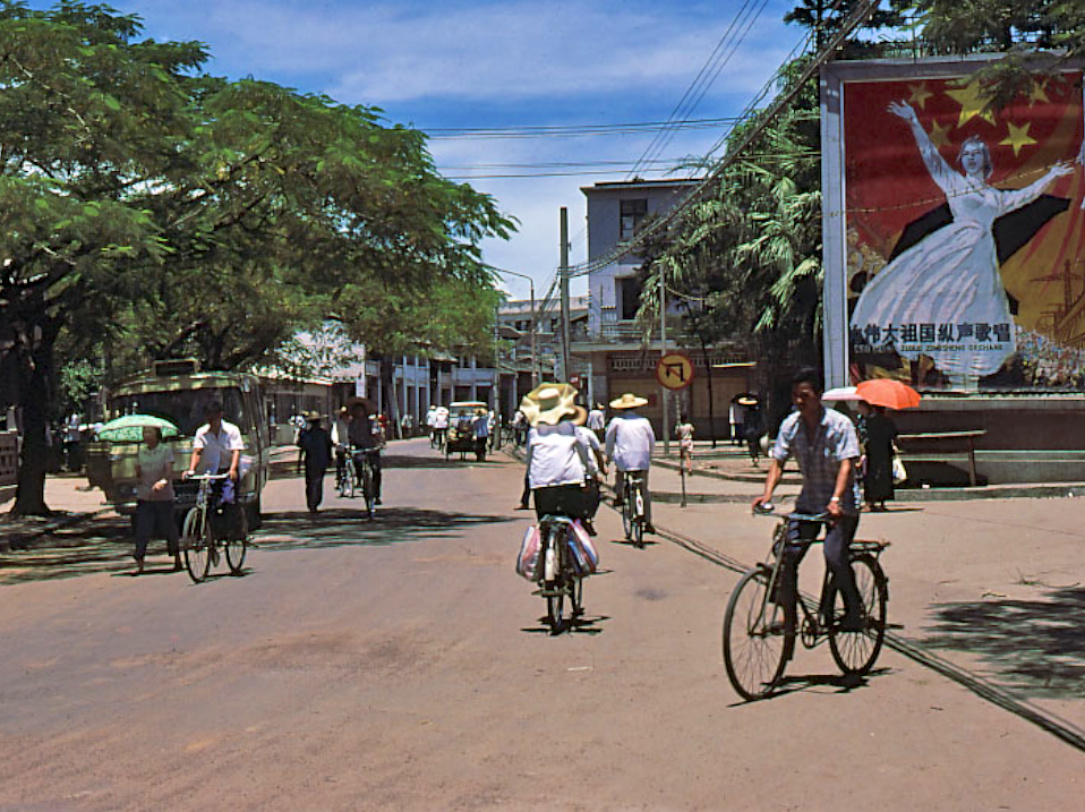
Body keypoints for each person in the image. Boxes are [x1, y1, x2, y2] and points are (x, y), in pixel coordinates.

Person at [851, 100, 1074, 389]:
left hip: (981, 261)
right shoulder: (954, 183)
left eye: (976, 154)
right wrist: (915, 122)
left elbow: (1027, 196)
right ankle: (953, 377)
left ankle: (966, 382)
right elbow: (931, 158)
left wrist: (1051, 176)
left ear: (985, 160)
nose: (970, 158)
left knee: (974, 313)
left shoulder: (996, 197)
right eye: (966, 154)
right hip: (952, 251)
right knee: (945, 306)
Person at [752, 368, 864, 630]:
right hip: (810, 502)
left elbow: (847, 465)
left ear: (819, 395)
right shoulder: (791, 425)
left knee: (834, 556)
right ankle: (787, 614)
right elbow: (778, 463)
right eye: (795, 396)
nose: (799, 401)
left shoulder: (840, 425)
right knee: (786, 554)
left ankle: (854, 609)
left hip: (842, 505)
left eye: (804, 395)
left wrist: (836, 500)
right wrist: (766, 495)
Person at [522, 384, 593, 523]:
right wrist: (591, 472)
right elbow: (584, 451)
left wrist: (531, 476)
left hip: (541, 482)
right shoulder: (571, 428)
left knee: (543, 524)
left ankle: (545, 542)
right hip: (570, 480)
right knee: (575, 523)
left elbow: (529, 459)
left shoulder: (534, 431)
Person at [185, 400, 245, 539]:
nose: (212, 421)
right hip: (211, 472)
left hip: (227, 470)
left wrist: (233, 470)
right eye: (209, 418)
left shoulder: (231, 430)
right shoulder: (201, 433)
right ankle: (211, 533)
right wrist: (191, 470)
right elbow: (197, 452)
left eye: (214, 417)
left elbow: (236, 451)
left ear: (220, 415)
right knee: (207, 503)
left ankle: (233, 530)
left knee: (228, 500)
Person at [606, 392, 656, 534]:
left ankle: (620, 496)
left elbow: (609, 440)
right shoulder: (644, 421)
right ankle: (648, 521)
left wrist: (607, 456)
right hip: (642, 459)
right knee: (644, 489)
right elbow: (651, 441)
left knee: (620, 475)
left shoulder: (616, 421)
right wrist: (649, 456)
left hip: (624, 459)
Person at [133, 425, 180, 574]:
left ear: (157, 435)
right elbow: (138, 472)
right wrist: (137, 474)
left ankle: (177, 558)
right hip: (145, 495)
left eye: (149, 432)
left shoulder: (165, 450)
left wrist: (163, 482)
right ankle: (140, 563)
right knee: (142, 529)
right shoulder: (141, 451)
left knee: (168, 528)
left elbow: (168, 471)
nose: (146, 435)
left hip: (163, 496)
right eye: (144, 433)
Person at [857, 400, 898, 512]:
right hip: (884, 452)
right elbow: (894, 434)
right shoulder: (887, 421)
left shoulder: (868, 421)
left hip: (873, 452)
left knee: (871, 477)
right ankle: (881, 502)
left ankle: (870, 503)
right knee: (883, 477)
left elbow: (863, 436)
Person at [575, 421, 607, 535]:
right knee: (594, 496)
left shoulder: (558, 435)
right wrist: (598, 471)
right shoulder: (585, 433)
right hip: (583, 473)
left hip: (566, 474)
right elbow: (594, 454)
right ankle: (588, 518)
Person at [348, 399, 382, 505]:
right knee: (357, 464)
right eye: (356, 410)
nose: (359, 413)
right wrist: (351, 447)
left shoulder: (370, 422)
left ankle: (376, 495)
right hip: (359, 448)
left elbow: (376, 434)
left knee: (376, 470)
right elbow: (351, 437)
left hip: (371, 448)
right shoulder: (352, 424)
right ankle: (361, 481)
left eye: (360, 410)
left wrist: (379, 443)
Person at [298, 412, 333, 513]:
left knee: (312, 483)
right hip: (317, 461)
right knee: (316, 482)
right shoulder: (320, 433)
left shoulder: (308, 433)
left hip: (314, 461)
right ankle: (314, 502)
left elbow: (301, 446)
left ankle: (313, 503)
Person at [331, 406, 351, 486]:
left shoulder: (351, 423)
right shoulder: (337, 424)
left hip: (350, 446)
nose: (345, 416)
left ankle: (359, 480)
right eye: (343, 414)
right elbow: (334, 433)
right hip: (341, 446)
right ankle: (339, 479)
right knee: (340, 463)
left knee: (357, 462)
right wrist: (336, 441)